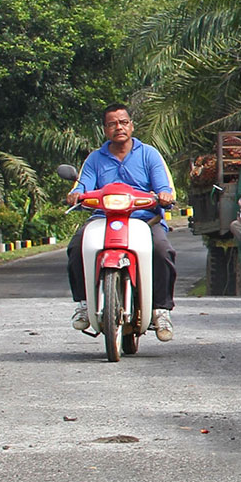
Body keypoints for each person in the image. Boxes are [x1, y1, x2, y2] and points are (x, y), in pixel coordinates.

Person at [67, 103, 178, 341]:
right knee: (76, 247)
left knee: (162, 250)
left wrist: (165, 195)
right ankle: (84, 305)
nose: (119, 127)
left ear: (131, 125)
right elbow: (82, 185)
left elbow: (164, 187)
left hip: (144, 219)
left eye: (123, 122)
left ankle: (161, 310)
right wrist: (76, 193)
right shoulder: (95, 159)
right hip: (103, 219)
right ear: (105, 129)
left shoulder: (149, 154)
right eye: (112, 123)